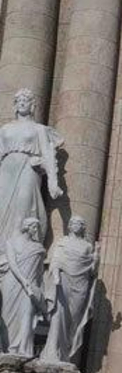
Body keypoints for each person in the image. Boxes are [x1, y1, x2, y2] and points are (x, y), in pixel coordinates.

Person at [0, 90, 62, 252]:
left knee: (24, 205)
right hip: (6, 170)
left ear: (32, 105)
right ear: (14, 105)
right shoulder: (5, 129)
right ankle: (3, 249)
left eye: (26, 100)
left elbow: (48, 155)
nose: (22, 103)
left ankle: (20, 247)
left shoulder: (39, 129)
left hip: (29, 169)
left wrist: (53, 183)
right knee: (2, 208)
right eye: (19, 100)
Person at [41, 215, 97, 367]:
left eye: (78, 223)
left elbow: (91, 271)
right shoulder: (63, 242)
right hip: (63, 280)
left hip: (81, 285)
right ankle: (52, 351)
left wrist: (96, 259)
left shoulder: (88, 247)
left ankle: (66, 354)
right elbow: (56, 260)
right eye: (72, 223)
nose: (74, 225)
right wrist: (56, 276)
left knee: (74, 319)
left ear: (83, 227)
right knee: (59, 315)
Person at [0, 218, 47, 357]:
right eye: (34, 227)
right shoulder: (12, 242)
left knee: (27, 314)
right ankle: (6, 348)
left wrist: (38, 289)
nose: (36, 231)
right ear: (27, 227)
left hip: (30, 286)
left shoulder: (38, 248)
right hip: (13, 282)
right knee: (7, 315)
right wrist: (23, 280)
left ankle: (23, 350)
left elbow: (39, 272)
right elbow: (12, 263)